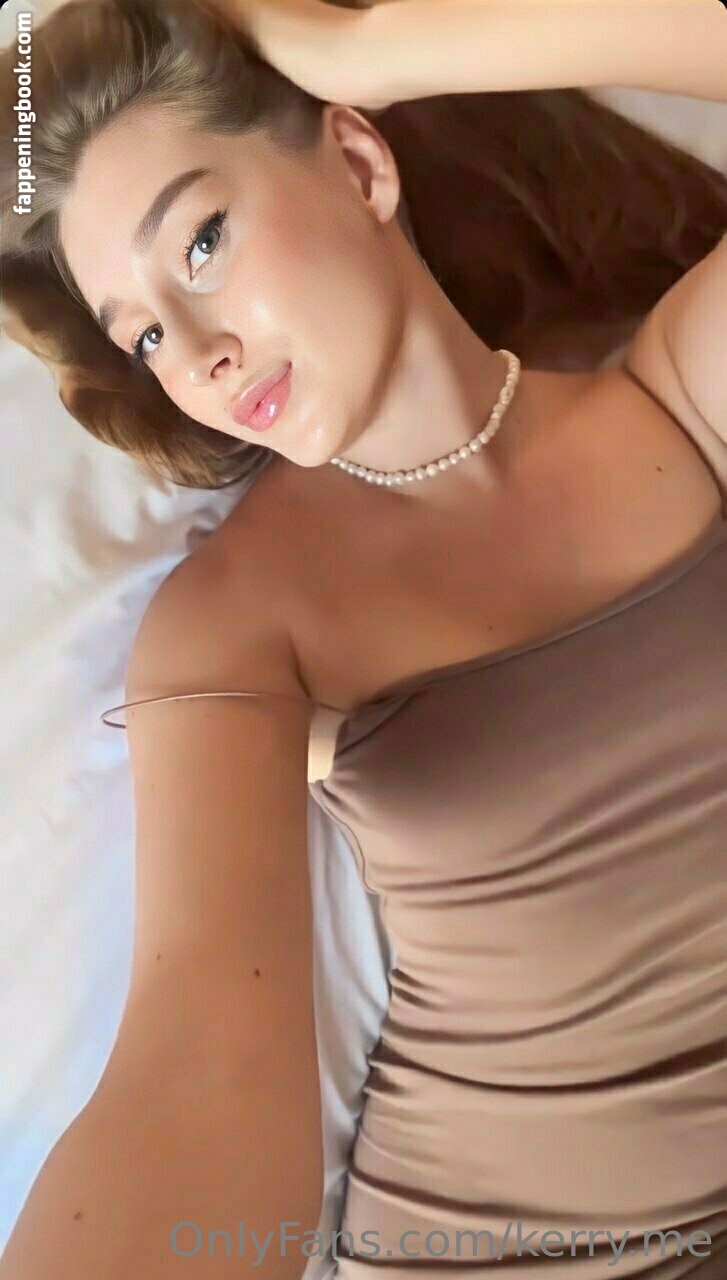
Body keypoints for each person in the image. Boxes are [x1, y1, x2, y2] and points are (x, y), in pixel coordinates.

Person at [1, 0, 727, 1276]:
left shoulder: (676, 398)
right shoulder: (237, 624)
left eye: (202, 241)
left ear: (356, 160)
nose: (201, 354)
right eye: (147, 334)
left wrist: (374, 49)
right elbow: (197, 1070)